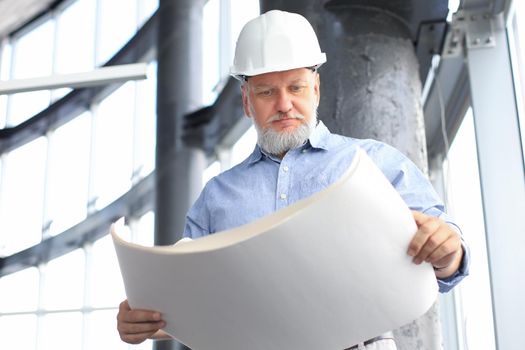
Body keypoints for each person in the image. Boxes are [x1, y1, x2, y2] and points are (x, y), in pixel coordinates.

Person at [117, 9, 470, 349]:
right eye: (267, 92)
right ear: (246, 101)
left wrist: (447, 249)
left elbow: (448, 259)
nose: (284, 104)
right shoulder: (217, 197)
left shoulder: (374, 162)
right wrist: (143, 320)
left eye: (296, 87)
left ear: (315, 89)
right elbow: (188, 301)